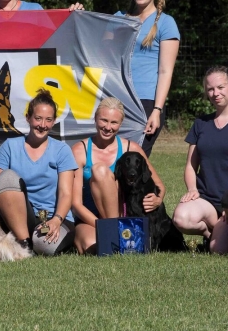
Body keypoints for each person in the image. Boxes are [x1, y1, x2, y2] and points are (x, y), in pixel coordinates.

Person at [171, 66, 228, 253]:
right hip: (206, 198)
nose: (215, 93)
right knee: (181, 218)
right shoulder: (201, 123)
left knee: (217, 250)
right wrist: (193, 189)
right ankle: (209, 231)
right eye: (210, 89)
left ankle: (219, 235)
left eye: (220, 87)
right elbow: (190, 166)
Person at [70, 97, 164, 254]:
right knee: (92, 245)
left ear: (120, 124)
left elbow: (159, 185)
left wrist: (157, 199)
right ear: (95, 119)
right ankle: (115, 233)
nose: (108, 127)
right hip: (91, 219)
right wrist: (103, 225)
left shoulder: (131, 148)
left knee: (108, 246)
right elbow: (76, 204)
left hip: (123, 217)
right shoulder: (80, 150)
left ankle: (117, 232)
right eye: (103, 120)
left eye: (114, 122)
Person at [0, 89, 77, 255]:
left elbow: (66, 193)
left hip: (54, 217)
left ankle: (31, 243)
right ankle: (24, 243)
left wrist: (57, 220)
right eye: (38, 118)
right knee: (6, 177)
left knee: (45, 245)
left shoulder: (62, 150)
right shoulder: (10, 146)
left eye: (48, 120)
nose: (42, 125)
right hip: (18, 218)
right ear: (28, 118)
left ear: (54, 122)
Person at [115, 0, 180, 157]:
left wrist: (157, 110)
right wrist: (77, 15)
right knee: (111, 159)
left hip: (146, 102)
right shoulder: (118, 18)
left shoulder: (166, 23)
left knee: (133, 162)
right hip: (116, 98)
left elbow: (165, 71)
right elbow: (96, 52)